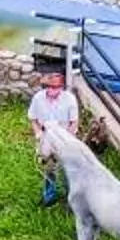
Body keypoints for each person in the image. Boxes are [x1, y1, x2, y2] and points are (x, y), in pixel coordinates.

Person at [27, 66, 79, 203]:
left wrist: (66, 139)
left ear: (61, 87)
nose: (51, 90)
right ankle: (49, 196)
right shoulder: (38, 98)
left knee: (68, 169)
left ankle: (71, 199)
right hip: (46, 136)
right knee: (49, 168)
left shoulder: (70, 99)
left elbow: (74, 122)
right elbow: (32, 118)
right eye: (49, 87)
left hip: (64, 136)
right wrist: (38, 133)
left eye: (55, 87)